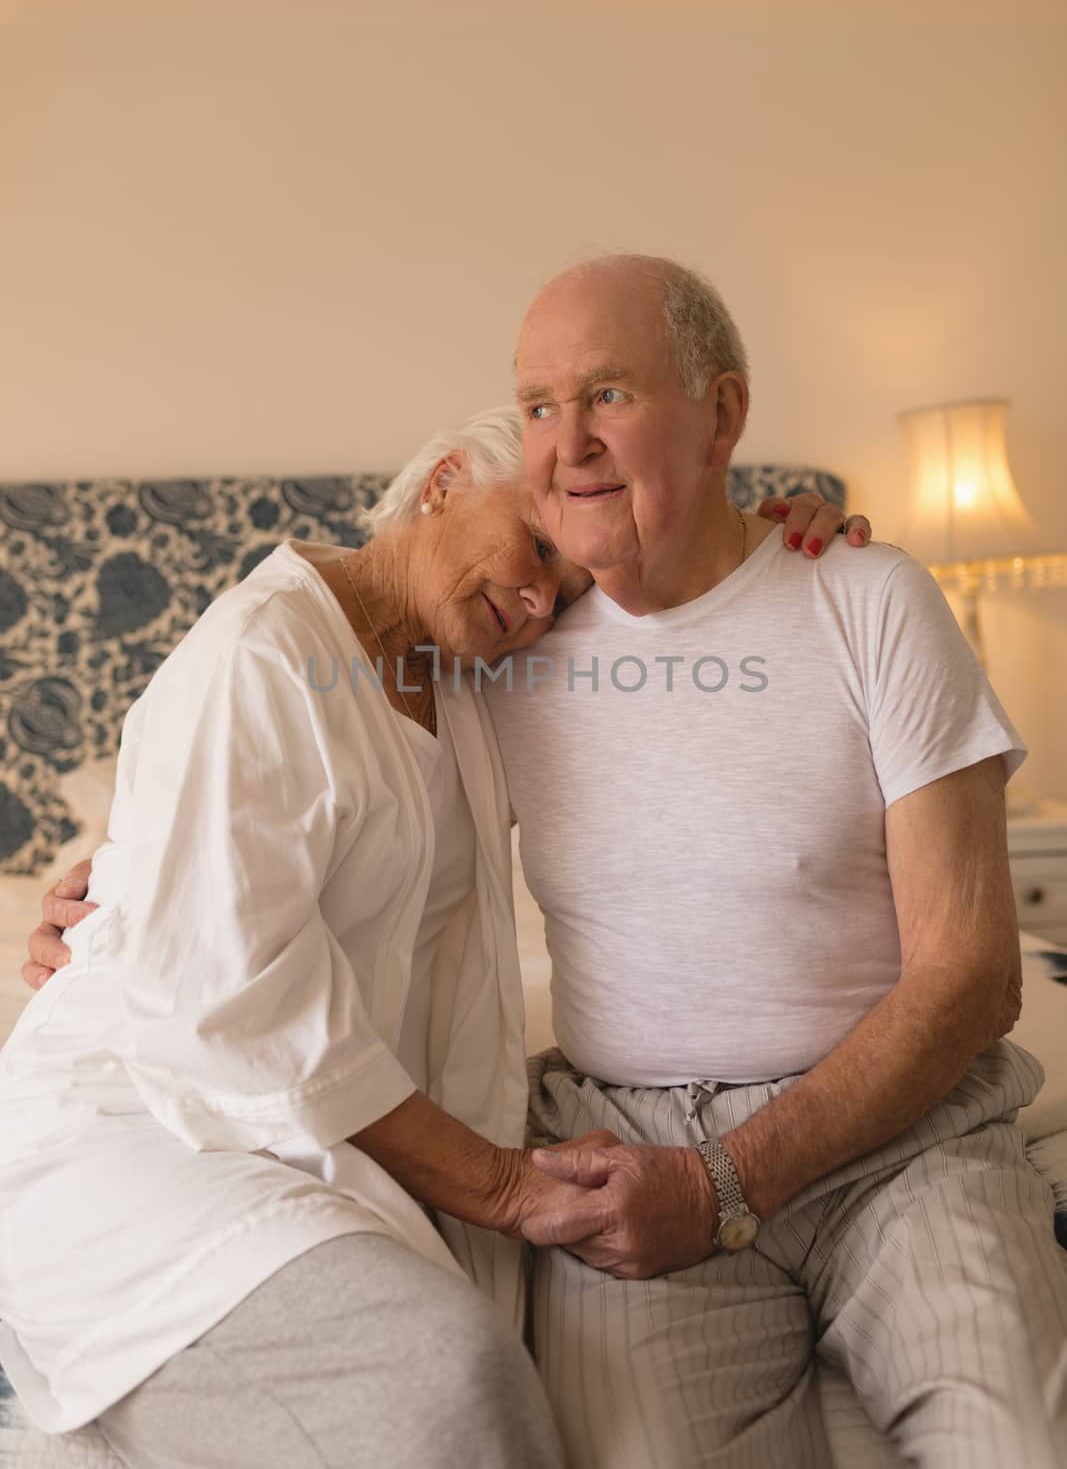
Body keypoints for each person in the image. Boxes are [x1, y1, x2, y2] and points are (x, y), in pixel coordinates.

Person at [5, 394, 853, 1468]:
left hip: (314, 1132)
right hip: (149, 1125)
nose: (543, 596)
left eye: (571, 589)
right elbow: (228, 1001)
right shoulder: (264, 653)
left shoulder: (470, 683)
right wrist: (506, 1184)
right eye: (538, 545)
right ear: (446, 479)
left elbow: (679, 674)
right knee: (440, 1379)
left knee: (469, 1364)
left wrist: (772, 547)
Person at [479, 253, 1066, 1468]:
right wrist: (102, 890)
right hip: (625, 1166)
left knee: (1008, 1437)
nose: (567, 442)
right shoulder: (498, 654)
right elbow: (303, 801)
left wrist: (729, 1179)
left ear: (723, 414)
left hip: (906, 1141)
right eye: (537, 405)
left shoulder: (866, 597)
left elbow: (975, 976)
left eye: (607, 395)